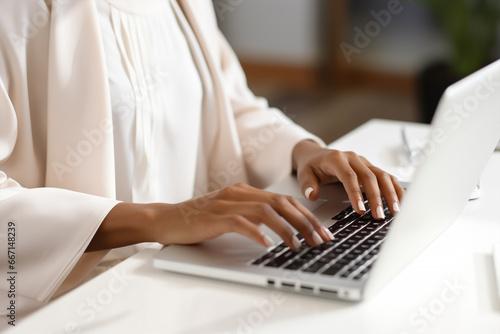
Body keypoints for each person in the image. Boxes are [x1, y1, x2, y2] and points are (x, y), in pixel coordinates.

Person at [0, 0, 404, 318]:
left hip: (190, 274)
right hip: (68, 303)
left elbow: (231, 107)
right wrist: (159, 220)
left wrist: (303, 152)